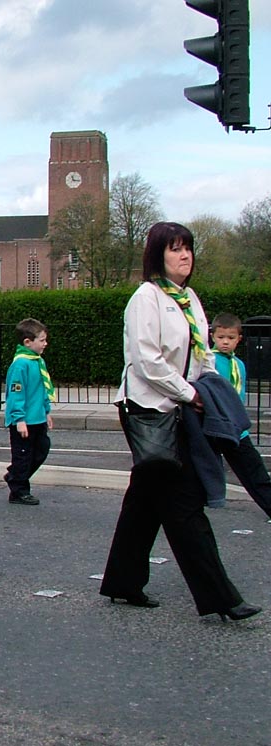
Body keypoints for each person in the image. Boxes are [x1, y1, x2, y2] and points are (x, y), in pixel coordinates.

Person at [100, 221, 260, 621]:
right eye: (174, 249)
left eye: (188, 248)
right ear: (158, 256)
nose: (184, 256)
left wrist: (208, 386)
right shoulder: (146, 297)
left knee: (145, 499)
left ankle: (122, 581)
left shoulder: (188, 298)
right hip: (151, 408)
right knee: (183, 503)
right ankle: (221, 598)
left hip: (182, 407)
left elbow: (203, 353)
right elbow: (146, 359)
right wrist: (191, 394)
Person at [209, 312, 271, 519]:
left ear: (239, 339)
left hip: (235, 428)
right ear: (212, 337)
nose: (225, 342)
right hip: (213, 426)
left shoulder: (240, 365)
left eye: (231, 338)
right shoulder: (208, 361)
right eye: (221, 337)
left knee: (254, 471)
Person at [3, 318, 54, 506]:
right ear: (27, 342)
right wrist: (19, 419)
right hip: (24, 420)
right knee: (23, 456)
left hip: (37, 417)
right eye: (41, 340)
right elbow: (16, 393)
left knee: (41, 450)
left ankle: (15, 475)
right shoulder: (20, 364)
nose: (45, 344)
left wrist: (46, 411)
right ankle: (19, 490)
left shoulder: (37, 361)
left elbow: (42, 390)